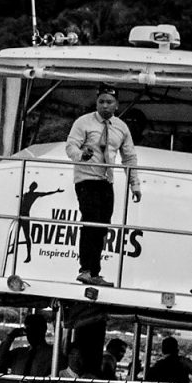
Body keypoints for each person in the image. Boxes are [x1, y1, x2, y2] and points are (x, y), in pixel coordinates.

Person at [64, 88, 139, 283]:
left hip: (106, 181)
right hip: (86, 179)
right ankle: (86, 269)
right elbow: (71, 145)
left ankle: (95, 272)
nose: (105, 105)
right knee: (91, 220)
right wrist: (81, 155)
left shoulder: (121, 127)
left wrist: (135, 184)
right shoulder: (83, 122)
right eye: (101, 102)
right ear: (96, 103)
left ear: (116, 105)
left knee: (102, 226)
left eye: (109, 102)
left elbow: (129, 157)